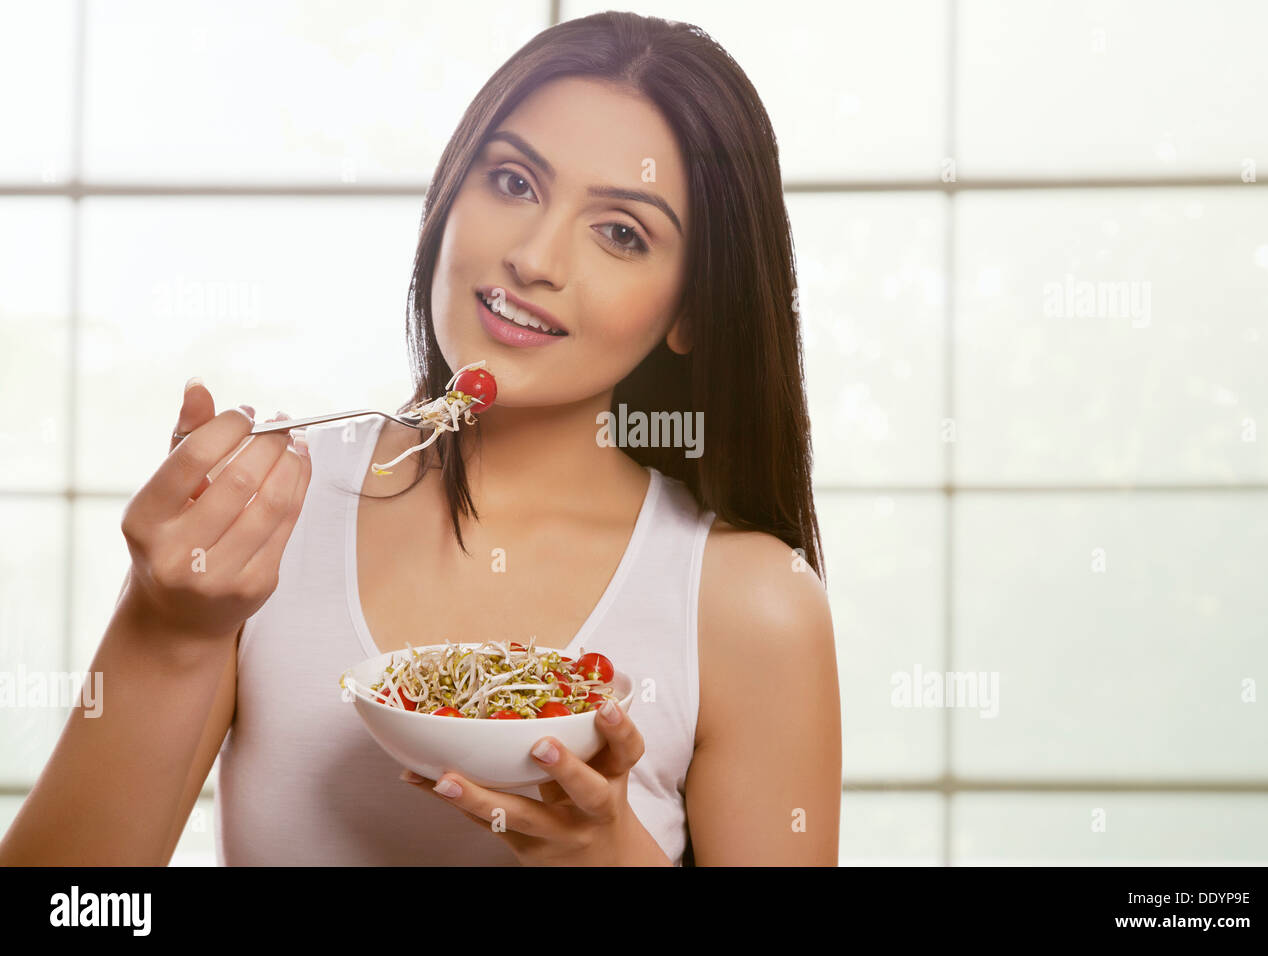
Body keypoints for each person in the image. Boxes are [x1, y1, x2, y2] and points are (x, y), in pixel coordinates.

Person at [0, 11, 840, 866]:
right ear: (449, 192)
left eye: (622, 232)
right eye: (513, 183)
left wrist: (609, 855)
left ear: (692, 310)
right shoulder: (265, 514)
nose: (536, 258)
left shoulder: (753, 604)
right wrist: (167, 624)